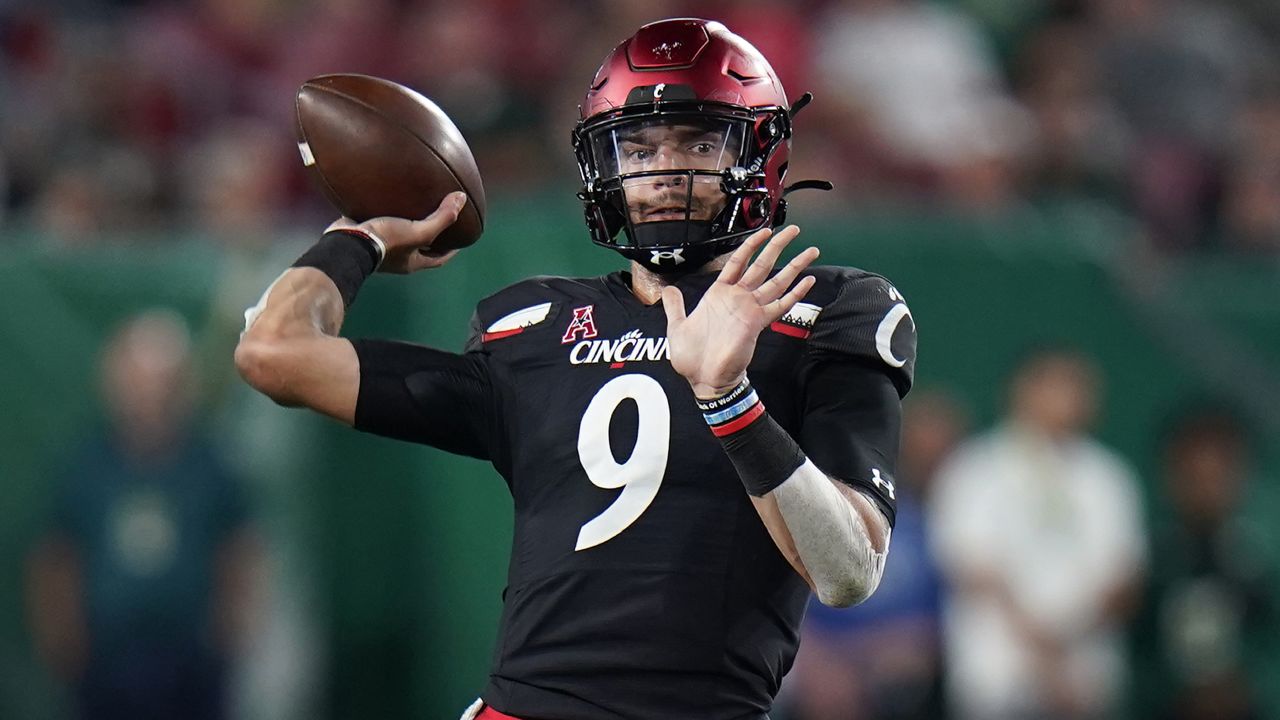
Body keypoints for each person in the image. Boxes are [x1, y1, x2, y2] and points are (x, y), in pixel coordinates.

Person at [236, 18, 917, 720]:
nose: (663, 171)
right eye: (638, 146)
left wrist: (727, 397)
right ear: (602, 163)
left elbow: (849, 572)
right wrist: (360, 237)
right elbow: (272, 352)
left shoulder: (823, 309)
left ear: (758, 153)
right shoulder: (534, 330)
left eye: (698, 141)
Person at [27, 309, 261, 720]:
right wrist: (64, 644)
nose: (151, 394)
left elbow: (240, 554)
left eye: (164, 382)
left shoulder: (211, 465)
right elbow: (55, 560)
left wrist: (229, 637)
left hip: (192, 665)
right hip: (105, 664)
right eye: (140, 380)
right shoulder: (86, 466)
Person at [928, 347, 1145, 720]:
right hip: (997, 682)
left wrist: (1066, 645)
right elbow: (973, 572)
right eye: (1057, 384)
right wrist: (1047, 660)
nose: (1071, 398)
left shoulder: (1109, 477)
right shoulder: (974, 469)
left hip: (1085, 685)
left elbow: (1124, 584)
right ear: (1023, 389)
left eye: (1079, 387)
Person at [1130, 403, 1277, 720]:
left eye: (1219, 475)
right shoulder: (1147, 559)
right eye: (1195, 475)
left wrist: (1245, 686)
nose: (1208, 488)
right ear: (1171, 476)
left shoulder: (1263, 558)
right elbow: (1132, 658)